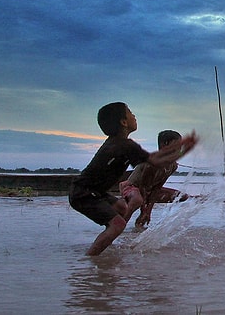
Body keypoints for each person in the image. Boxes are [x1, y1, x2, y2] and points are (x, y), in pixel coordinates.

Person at [69, 102, 199, 255]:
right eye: (130, 112)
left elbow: (155, 158)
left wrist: (182, 147)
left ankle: (107, 240)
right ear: (123, 122)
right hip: (83, 193)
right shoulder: (122, 145)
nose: (134, 115)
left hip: (96, 192)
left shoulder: (123, 144)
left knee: (122, 208)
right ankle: (90, 260)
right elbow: (156, 160)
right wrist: (184, 147)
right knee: (118, 225)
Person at [119, 130, 188, 230]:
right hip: (133, 187)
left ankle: (139, 223)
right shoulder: (152, 163)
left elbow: (157, 188)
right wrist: (143, 211)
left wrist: (148, 211)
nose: (179, 148)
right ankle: (118, 226)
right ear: (164, 145)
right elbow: (142, 187)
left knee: (182, 196)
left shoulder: (173, 166)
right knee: (137, 200)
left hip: (149, 190)